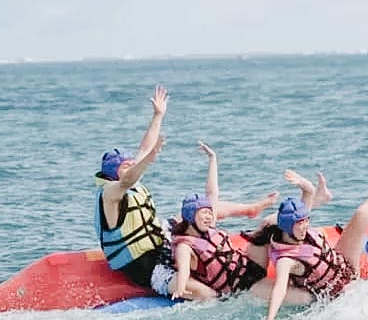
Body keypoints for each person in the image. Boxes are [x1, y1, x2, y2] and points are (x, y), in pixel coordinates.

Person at [95, 88, 276, 302]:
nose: (132, 166)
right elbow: (130, 176)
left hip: (158, 240)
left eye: (131, 164)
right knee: (206, 294)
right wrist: (150, 158)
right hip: (143, 265)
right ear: (113, 174)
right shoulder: (110, 193)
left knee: (199, 212)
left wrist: (158, 115)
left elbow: (145, 147)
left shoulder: (130, 177)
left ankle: (248, 209)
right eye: (126, 166)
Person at [254, 149, 368, 320]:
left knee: (362, 213)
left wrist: (304, 185)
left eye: (306, 221)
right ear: (287, 227)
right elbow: (280, 289)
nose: (305, 226)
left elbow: (307, 195)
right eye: (300, 224)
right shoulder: (286, 259)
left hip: (344, 264)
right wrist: (270, 319)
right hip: (336, 293)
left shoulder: (299, 229)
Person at [170, 142, 312, 303]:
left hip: (250, 262)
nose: (210, 216)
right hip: (242, 286)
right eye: (204, 213)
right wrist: (181, 288)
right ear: (190, 217)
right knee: (304, 298)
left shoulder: (207, 227)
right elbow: (183, 271)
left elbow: (212, 192)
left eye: (210, 212)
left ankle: (309, 198)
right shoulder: (185, 246)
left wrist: (213, 159)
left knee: (270, 223)